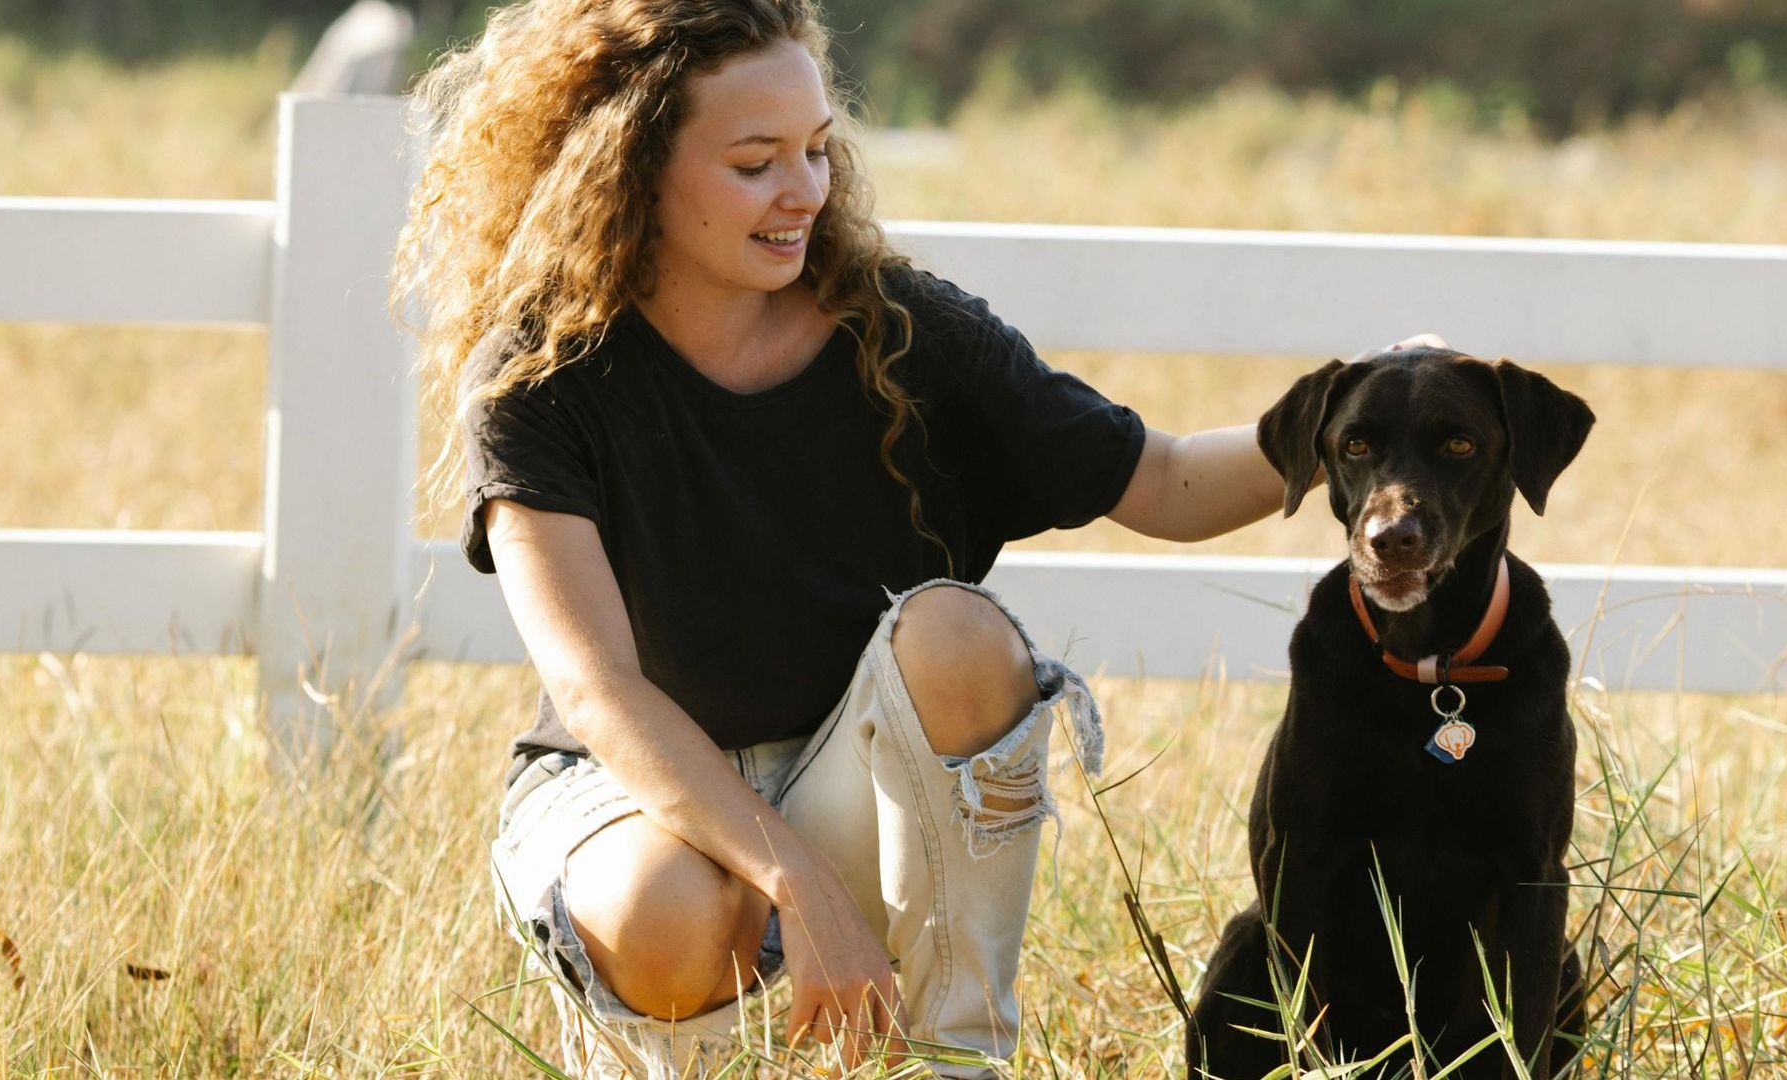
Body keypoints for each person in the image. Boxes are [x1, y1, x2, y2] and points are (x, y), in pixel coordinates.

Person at [394, 1, 1431, 1075]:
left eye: (816, 151)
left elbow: (1163, 481)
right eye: (756, 164)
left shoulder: (900, 329)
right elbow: (603, 694)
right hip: (633, 797)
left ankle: (956, 1054)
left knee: (957, 632)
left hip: (862, 776)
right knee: (675, 912)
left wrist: (1365, 402)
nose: (804, 192)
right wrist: (798, 881)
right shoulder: (540, 377)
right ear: (631, 169)